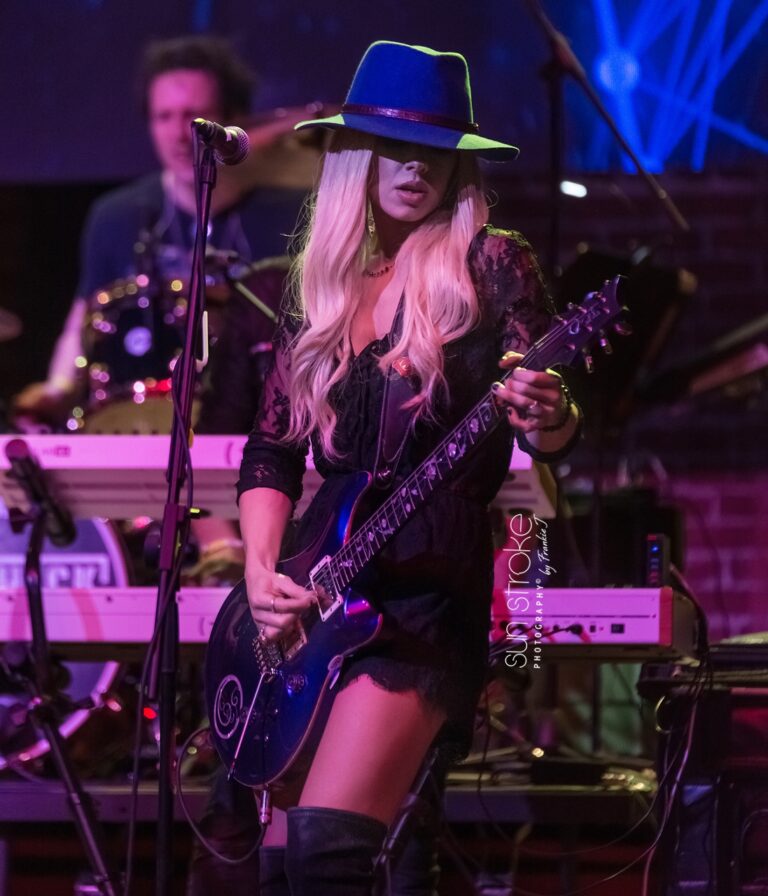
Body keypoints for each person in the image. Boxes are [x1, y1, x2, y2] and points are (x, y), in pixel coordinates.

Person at [234, 40, 582, 895]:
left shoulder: (487, 264)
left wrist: (555, 413)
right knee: (277, 866)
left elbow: (547, 410)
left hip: (425, 598)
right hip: (317, 590)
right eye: (396, 146)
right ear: (355, 157)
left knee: (327, 850)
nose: (416, 169)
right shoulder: (324, 292)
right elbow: (272, 451)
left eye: (436, 152)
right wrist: (256, 571)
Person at [12, 34, 306, 430]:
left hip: (261, 425)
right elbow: (84, 318)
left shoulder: (289, 214)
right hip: (142, 426)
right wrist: (58, 387)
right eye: (163, 116)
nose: (178, 133)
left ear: (233, 119)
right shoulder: (115, 215)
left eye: (195, 115)